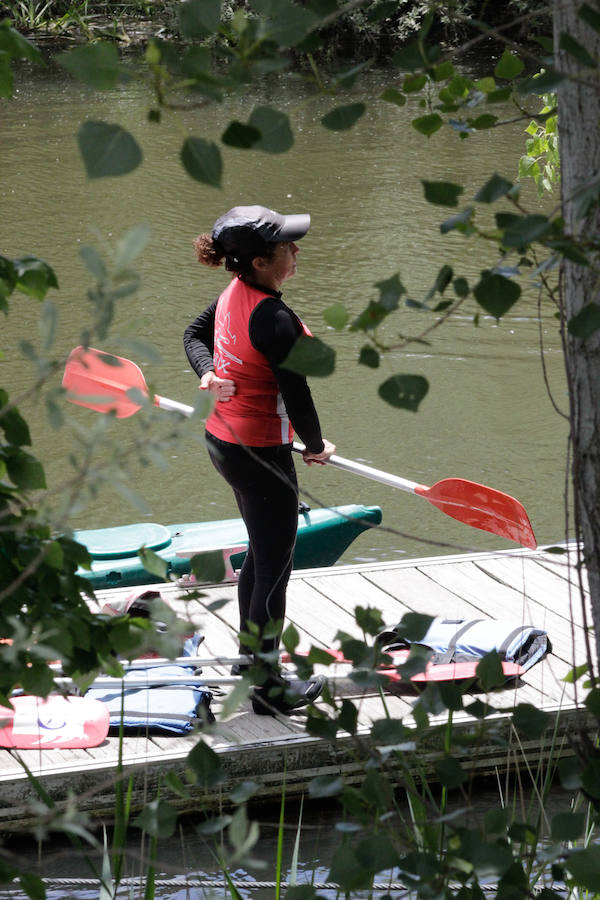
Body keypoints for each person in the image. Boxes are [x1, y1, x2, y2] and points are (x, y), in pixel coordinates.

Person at [183, 205, 336, 715]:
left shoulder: (236, 292)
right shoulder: (273, 318)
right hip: (260, 453)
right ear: (261, 260)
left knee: (261, 554)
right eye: (287, 246)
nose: (297, 251)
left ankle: (253, 664)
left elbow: (193, 335)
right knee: (275, 567)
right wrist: (314, 445)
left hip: (223, 443)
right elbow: (297, 393)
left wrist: (205, 370)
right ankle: (269, 690)